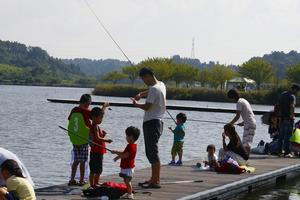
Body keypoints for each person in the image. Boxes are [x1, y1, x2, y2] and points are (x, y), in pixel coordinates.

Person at [132, 67, 166, 189]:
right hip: (159, 122)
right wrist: (141, 94)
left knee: (152, 152)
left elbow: (147, 107)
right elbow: (151, 91)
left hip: (152, 122)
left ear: (148, 76)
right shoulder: (161, 85)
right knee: (151, 151)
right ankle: (153, 178)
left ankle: (156, 181)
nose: (144, 81)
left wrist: (136, 104)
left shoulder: (154, 89)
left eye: (143, 79)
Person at [67, 94, 109, 186]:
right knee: (83, 161)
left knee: (76, 160)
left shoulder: (74, 110)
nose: (88, 106)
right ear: (86, 103)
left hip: (75, 139)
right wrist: (104, 107)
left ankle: (72, 179)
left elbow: (70, 120)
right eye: (88, 104)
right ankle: (82, 181)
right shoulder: (85, 111)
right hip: (83, 140)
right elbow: (97, 116)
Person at [112, 126, 140, 199]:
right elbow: (125, 153)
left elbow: (125, 155)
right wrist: (116, 152)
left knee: (127, 181)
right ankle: (128, 193)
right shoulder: (132, 145)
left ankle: (130, 194)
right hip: (128, 166)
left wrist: (117, 157)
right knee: (126, 180)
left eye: (127, 136)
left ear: (131, 137)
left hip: (128, 167)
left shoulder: (130, 146)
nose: (126, 137)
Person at [89, 107, 113, 188]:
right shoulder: (95, 126)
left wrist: (103, 135)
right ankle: (94, 184)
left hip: (95, 151)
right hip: (97, 151)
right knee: (97, 170)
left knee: (94, 169)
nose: (101, 120)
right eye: (101, 118)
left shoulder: (95, 126)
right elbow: (97, 138)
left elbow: (98, 138)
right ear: (94, 117)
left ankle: (94, 183)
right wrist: (107, 140)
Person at [227, 89, 256, 155]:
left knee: (246, 143)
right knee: (247, 142)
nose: (232, 101)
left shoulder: (239, 103)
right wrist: (243, 123)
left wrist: (230, 124)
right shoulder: (244, 100)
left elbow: (237, 116)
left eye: (231, 99)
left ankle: (246, 159)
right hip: (252, 123)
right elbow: (249, 114)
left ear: (233, 97)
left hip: (249, 124)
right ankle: (246, 158)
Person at [277, 84, 300, 157]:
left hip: (282, 118)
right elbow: (292, 106)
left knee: (281, 136)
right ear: (295, 89)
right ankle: (287, 152)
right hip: (289, 119)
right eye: (297, 91)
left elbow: (279, 106)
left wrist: (280, 117)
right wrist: (292, 116)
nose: (297, 92)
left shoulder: (282, 95)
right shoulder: (292, 96)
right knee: (288, 135)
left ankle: (279, 151)